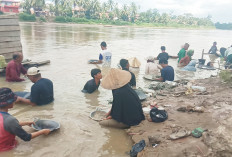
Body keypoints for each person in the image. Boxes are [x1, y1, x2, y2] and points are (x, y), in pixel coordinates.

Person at [0, 88, 50, 152]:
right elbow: (27, 137)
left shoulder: (7, 119)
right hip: (6, 149)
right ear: (9, 103)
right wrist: (43, 131)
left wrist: (24, 123)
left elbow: (4, 125)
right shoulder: (10, 120)